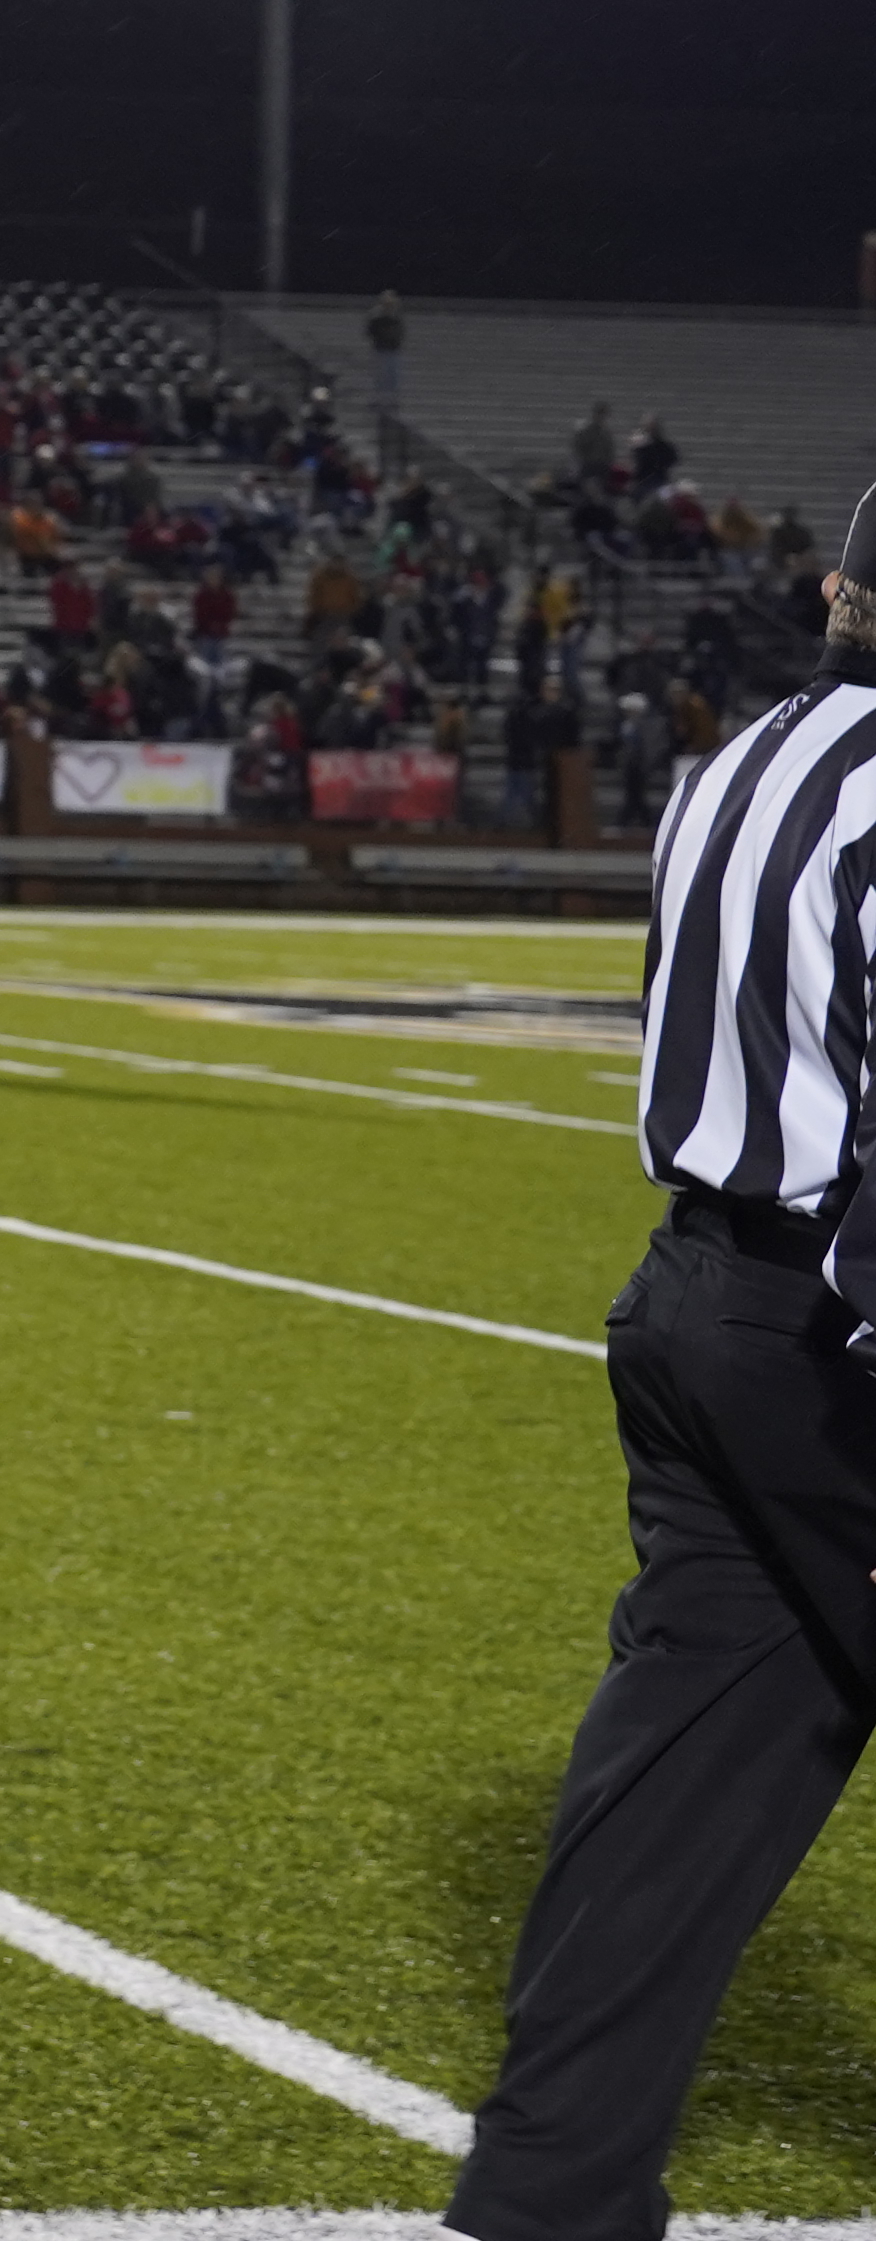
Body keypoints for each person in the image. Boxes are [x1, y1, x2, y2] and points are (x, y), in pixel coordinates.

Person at [453, 490, 876, 2238]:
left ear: (843, 587)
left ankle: (548, 2193)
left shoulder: (741, 762)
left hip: (703, 1301)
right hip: (838, 1329)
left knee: (679, 1785)